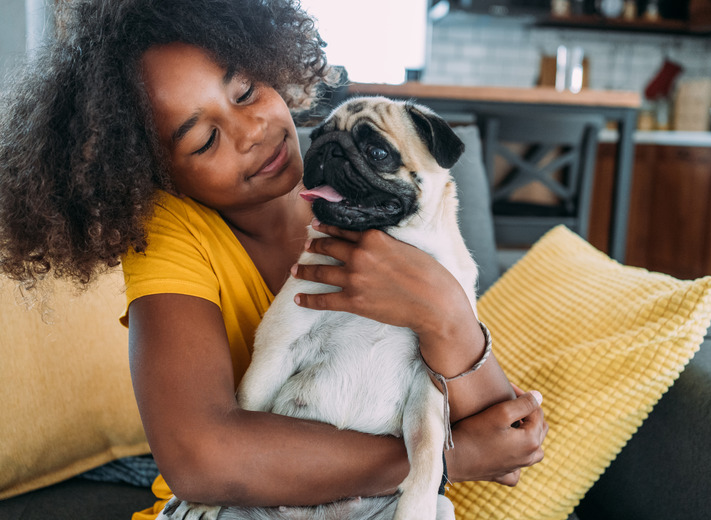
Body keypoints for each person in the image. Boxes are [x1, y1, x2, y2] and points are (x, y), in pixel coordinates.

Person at [0, 0, 548, 518]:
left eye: (245, 92)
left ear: (272, 66)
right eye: (205, 140)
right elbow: (202, 459)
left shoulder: (372, 197)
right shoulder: (171, 233)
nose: (251, 133)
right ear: (155, 175)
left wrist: (445, 311)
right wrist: (442, 461)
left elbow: (504, 439)